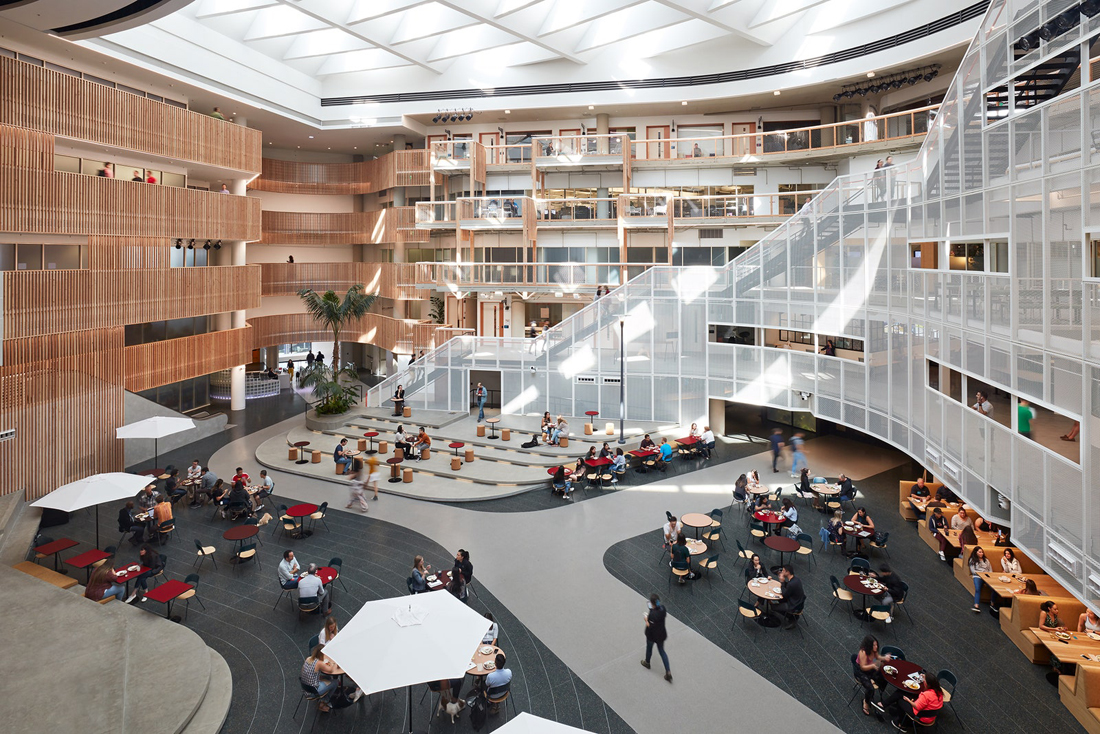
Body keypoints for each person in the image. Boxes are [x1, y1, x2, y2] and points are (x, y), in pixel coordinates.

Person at [300, 645, 346, 713]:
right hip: (313, 691)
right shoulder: (319, 663)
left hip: (306, 688)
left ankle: (327, 692)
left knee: (327, 678)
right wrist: (333, 662)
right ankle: (324, 702)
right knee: (335, 682)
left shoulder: (308, 658)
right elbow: (330, 670)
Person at [641, 593, 672, 682]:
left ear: (652, 603)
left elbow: (649, 625)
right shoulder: (663, 609)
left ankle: (647, 662)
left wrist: (646, 619)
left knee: (649, 648)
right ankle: (668, 671)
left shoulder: (653, 614)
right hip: (661, 635)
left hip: (652, 635)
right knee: (662, 651)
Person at [855, 635, 889, 716]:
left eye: (876, 645)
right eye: (874, 645)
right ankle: (865, 702)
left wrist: (885, 658)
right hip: (862, 672)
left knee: (885, 676)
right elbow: (862, 667)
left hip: (870, 669)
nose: (876, 647)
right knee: (870, 688)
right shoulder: (863, 652)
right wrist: (873, 666)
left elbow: (878, 657)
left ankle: (876, 683)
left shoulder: (874, 651)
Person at [967, 546, 992, 613]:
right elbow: (973, 571)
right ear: (976, 553)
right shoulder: (972, 560)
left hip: (986, 576)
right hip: (977, 576)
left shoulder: (986, 560)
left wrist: (988, 575)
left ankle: (992, 603)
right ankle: (976, 605)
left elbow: (990, 570)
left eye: (982, 552)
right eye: (980, 552)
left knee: (993, 588)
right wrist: (981, 573)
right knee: (978, 589)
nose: (981, 554)